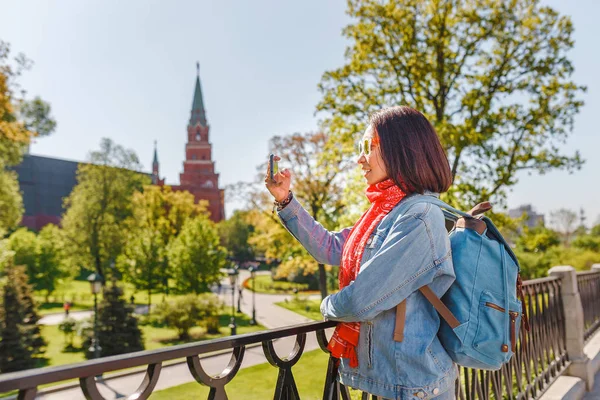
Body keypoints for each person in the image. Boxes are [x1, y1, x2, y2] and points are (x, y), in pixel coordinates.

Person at [265, 106, 457, 399]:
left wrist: (326, 307)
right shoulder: (383, 213)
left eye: (368, 147)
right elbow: (330, 248)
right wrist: (285, 200)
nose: (360, 159)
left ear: (400, 149)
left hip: (416, 388)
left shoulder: (418, 218)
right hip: (392, 384)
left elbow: (362, 300)